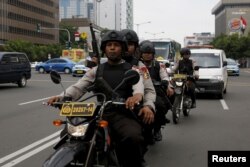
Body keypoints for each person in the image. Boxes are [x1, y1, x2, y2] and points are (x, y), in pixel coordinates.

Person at [47, 30, 154, 167]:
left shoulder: (133, 69)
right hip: (100, 111)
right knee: (68, 133)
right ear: (104, 48)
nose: (112, 47)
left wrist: (136, 97)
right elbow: (79, 87)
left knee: (133, 136)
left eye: (116, 45)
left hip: (122, 113)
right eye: (109, 45)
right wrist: (61, 97)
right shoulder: (96, 70)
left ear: (123, 48)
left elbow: (138, 86)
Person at [121, 29, 157, 144]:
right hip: (107, 109)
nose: (127, 47)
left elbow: (148, 89)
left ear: (136, 47)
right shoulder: (103, 66)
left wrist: (148, 106)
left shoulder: (140, 67)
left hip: (133, 107)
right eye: (123, 43)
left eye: (130, 44)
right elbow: (82, 85)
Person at [139, 40, 174, 142]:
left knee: (162, 106)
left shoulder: (159, 65)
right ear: (141, 54)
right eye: (145, 53)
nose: (147, 55)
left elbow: (164, 76)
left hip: (155, 91)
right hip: (139, 91)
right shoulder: (138, 65)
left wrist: (166, 84)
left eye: (150, 53)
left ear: (153, 54)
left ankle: (157, 128)